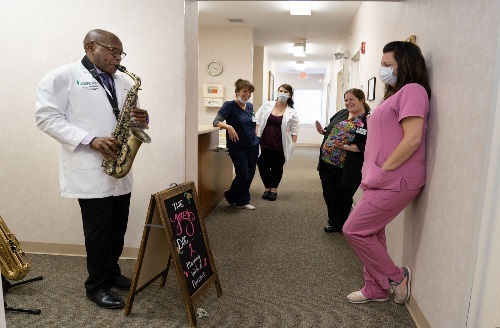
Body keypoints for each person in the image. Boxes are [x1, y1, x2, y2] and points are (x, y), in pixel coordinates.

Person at [35, 29, 150, 309]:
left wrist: (143, 120)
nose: (117, 57)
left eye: (120, 52)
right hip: (89, 167)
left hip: (119, 166)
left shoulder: (123, 81)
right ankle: (96, 286)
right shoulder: (62, 76)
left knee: (117, 227)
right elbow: (46, 118)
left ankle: (112, 273)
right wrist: (90, 139)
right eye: (112, 50)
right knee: (98, 231)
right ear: (89, 46)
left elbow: (130, 120)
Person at [343, 41, 431, 305]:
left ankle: (395, 278)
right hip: (379, 178)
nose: (383, 70)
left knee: (354, 230)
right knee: (372, 232)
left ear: (405, 65)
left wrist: (384, 169)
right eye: (382, 65)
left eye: (388, 65)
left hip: (397, 179)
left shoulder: (413, 91)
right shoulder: (395, 95)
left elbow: (413, 138)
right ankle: (375, 289)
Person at [315, 89, 369, 233]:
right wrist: (324, 131)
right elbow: (334, 129)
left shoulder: (367, 120)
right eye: (346, 100)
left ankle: (341, 222)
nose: (348, 103)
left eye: (352, 99)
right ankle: (333, 220)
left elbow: (366, 145)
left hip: (347, 167)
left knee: (343, 196)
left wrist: (345, 147)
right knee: (329, 193)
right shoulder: (342, 113)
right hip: (326, 162)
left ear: (362, 100)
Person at [213, 79, 259, 210]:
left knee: (250, 173)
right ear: (237, 92)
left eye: (249, 92)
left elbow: (253, 121)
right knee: (243, 173)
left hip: (252, 145)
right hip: (237, 146)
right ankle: (238, 198)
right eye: (245, 91)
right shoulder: (229, 105)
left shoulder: (249, 106)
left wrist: (257, 134)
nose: (247, 94)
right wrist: (229, 127)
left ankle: (236, 198)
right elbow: (216, 121)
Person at [255, 84, 299, 201]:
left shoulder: (292, 112)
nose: (282, 93)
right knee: (262, 166)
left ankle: (273, 189)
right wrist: (256, 132)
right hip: (263, 141)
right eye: (280, 91)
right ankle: (267, 187)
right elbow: (257, 118)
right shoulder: (267, 105)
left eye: (285, 92)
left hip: (280, 144)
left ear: (290, 95)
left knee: (277, 166)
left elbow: (295, 130)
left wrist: (292, 145)